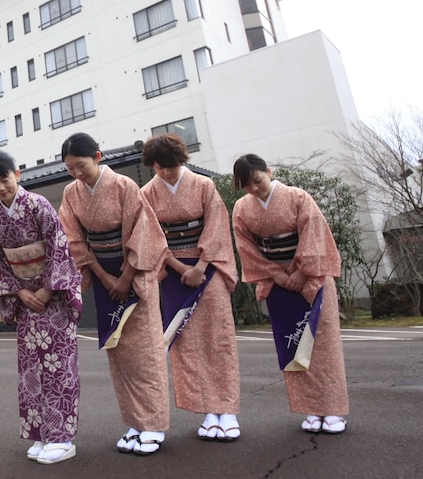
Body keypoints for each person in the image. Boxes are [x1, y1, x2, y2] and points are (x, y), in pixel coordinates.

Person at [57, 133, 170, 455]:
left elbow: (144, 233)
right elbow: (74, 239)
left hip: (133, 277)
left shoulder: (123, 186)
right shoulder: (71, 193)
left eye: (81, 166)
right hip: (103, 276)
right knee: (119, 356)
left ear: (97, 156)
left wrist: (126, 276)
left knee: (145, 354)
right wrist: (104, 276)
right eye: (70, 169)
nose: (77, 174)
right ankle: (135, 422)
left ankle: (154, 425)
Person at [231, 154, 349, 434]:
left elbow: (313, 233)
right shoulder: (241, 208)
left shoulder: (297, 197)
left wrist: (299, 271)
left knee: (323, 345)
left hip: (311, 277)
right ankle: (310, 409)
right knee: (293, 343)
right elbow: (246, 247)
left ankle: (332, 410)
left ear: (268, 172)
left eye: (257, 181)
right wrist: (277, 274)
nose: (254, 189)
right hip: (277, 282)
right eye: (247, 185)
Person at [0, 150, 82, 465]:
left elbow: (58, 246)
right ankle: (40, 433)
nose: (0, 188)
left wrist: (48, 289)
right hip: (26, 300)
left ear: (18, 174)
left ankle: (62, 437)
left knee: (57, 367)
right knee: (31, 371)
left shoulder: (38, 205)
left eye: (4, 180)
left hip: (53, 298)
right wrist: (21, 292)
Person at [140, 134, 241, 441]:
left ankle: (229, 410)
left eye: (170, 166)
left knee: (218, 338)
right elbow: (151, 236)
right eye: (160, 168)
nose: (166, 173)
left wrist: (200, 266)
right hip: (173, 275)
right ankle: (208, 410)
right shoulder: (147, 193)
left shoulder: (203, 185)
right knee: (187, 343)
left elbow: (216, 227)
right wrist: (178, 266)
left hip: (207, 271)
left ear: (180, 161)